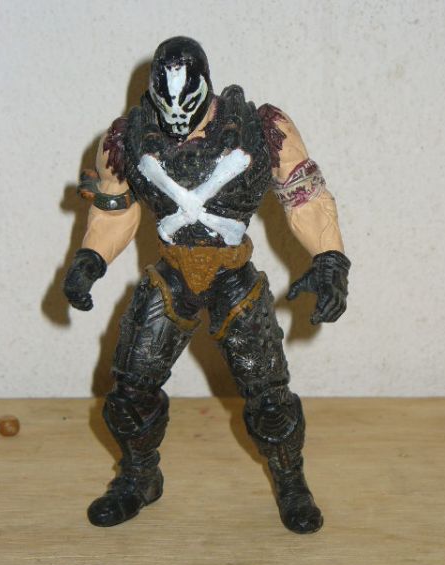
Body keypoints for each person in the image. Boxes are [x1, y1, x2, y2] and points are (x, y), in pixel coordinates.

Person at [63, 36, 350, 534]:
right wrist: (90, 259)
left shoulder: (262, 129)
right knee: (130, 391)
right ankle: (139, 477)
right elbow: (115, 208)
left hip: (232, 277)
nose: (177, 119)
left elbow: (304, 195)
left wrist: (330, 258)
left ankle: (291, 483)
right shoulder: (127, 136)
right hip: (172, 274)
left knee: (269, 398)